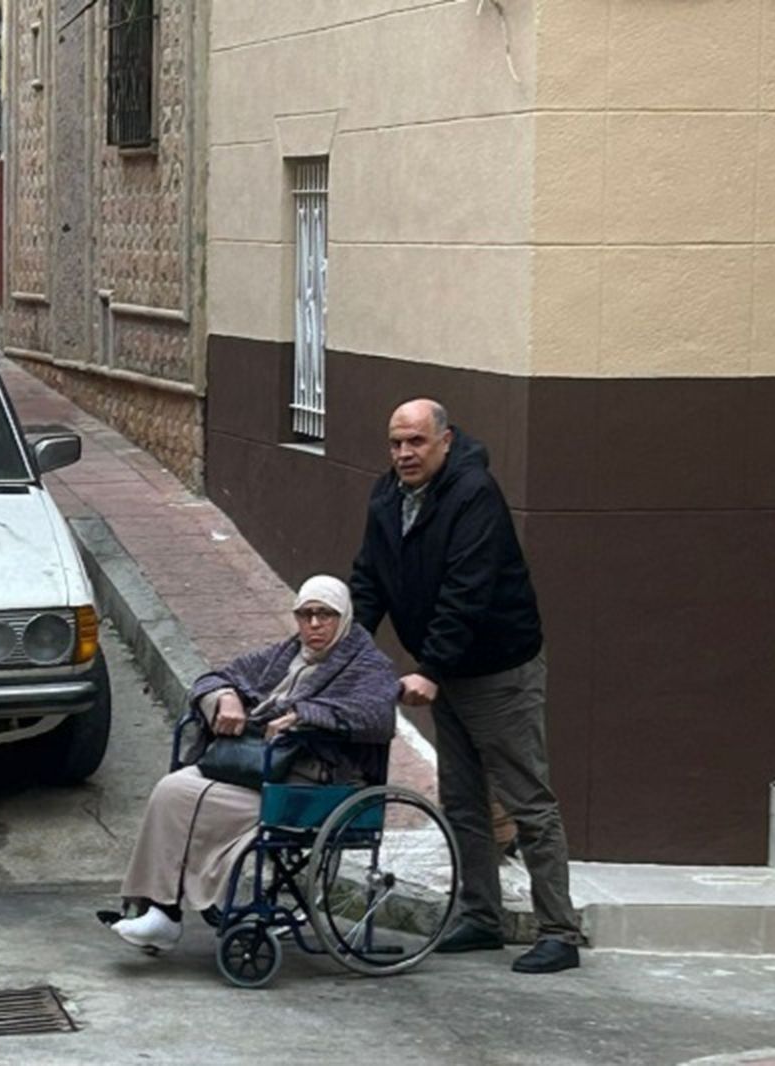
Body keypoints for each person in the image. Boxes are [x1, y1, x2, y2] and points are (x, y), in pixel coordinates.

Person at [348, 398, 582, 974]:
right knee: (461, 800)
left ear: (445, 441)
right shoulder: (388, 496)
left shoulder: (474, 494)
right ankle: (482, 917)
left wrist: (429, 667)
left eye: (417, 442)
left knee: (528, 800)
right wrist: (345, 649)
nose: (404, 453)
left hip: (498, 669)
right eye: (396, 443)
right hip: (447, 670)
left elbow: (467, 590)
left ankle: (559, 931)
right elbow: (369, 577)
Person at [107, 575, 398, 954]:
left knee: (204, 804)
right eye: (306, 614)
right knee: (172, 789)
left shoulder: (368, 665)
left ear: (343, 618)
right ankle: (157, 910)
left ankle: (166, 914)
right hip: (258, 766)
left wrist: (303, 713)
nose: (313, 625)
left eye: (325, 615)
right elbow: (212, 678)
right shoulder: (284, 655)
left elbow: (377, 716)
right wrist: (224, 696)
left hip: (316, 780)